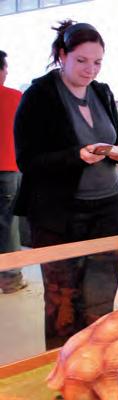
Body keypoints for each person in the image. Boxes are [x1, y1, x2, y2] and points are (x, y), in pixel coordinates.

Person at [13, 21, 118, 349]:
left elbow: (117, 136)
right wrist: (76, 155)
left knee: (101, 297)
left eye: (97, 62)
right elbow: (28, 160)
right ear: (62, 55)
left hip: (107, 209)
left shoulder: (102, 92)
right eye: (81, 60)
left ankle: (98, 363)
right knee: (62, 300)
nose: (90, 69)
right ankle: (64, 365)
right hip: (58, 215)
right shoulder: (39, 96)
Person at [0, 50, 26, 294]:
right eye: (5, 67)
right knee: (7, 225)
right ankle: (10, 279)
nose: (7, 72)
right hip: (7, 170)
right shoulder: (15, 97)